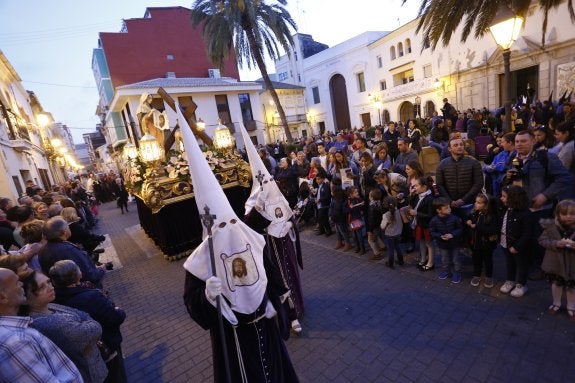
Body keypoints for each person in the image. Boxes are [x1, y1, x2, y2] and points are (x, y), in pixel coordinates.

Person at [20, 269, 108, 383]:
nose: (50, 287)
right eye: (41, 287)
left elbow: (84, 315)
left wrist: (83, 319)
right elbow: (95, 329)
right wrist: (84, 320)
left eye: (48, 282)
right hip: (90, 374)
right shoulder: (47, 323)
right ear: (25, 299)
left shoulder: (49, 305)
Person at [0, 268, 83, 382]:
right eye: (16, 282)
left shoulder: (16, 332)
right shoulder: (13, 341)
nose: (21, 284)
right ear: (2, 297)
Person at [50, 260, 127, 383]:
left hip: (86, 356)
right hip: (106, 345)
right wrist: (119, 311)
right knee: (117, 376)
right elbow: (114, 318)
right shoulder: (90, 297)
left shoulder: (55, 299)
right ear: (77, 275)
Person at [38, 216, 106, 288]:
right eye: (67, 226)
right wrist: (101, 269)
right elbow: (88, 274)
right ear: (64, 232)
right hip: (83, 290)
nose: (69, 228)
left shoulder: (42, 250)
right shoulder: (68, 249)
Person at [539, 199, 575, 320]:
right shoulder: (551, 227)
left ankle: (571, 307)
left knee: (572, 287)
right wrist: (556, 243)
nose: (568, 217)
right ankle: (556, 303)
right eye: (564, 214)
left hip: (572, 265)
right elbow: (542, 240)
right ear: (558, 214)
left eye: (572, 214)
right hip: (556, 264)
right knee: (556, 284)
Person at [435, 137, 484, 222]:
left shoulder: (474, 163)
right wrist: (449, 201)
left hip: (469, 203)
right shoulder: (442, 164)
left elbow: (479, 183)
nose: (459, 147)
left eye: (461, 144)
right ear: (450, 149)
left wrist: (463, 200)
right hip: (450, 205)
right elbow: (440, 185)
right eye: (456, 145)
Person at [498, 185, 532, 298]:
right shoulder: (506, 209)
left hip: (518, 246)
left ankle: (521, 284)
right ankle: (510, 280)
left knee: (521, 265)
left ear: (513, 198)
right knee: (509, 263)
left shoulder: (525, 214)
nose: (501, 198)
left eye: (504, 196)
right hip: (505, 242)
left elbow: (528, 234)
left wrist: (517, 246)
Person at [466, 193, 500, 288]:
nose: (475, 204)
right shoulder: (474, 212)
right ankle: (477, 275)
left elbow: (492, 230)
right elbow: (468, 218)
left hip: (487, 244)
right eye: (476, 201)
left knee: (488, 260)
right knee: (476, 259)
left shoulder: (492, 216)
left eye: (479, 202)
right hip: (475, 243)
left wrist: (476, 226)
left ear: (486, 205)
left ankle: (489, 276)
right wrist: (468, 221)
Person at [430, 198, 463, 283]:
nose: (449, 209)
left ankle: (457, 273)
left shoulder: (454, 218)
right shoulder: (434, 220)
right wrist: (440, 236)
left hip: (454, 243)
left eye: (449, 207)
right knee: (444, 259)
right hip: (442, 244)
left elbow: (460, 229)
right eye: (446, 208)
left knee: (456, 260)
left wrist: (452, 234)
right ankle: (446, 271)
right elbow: (432, 232)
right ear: (438, 210)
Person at [409, 176, 436, 271]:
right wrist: (411, 195)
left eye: (416, 186)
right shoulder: (417, 196)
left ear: (424, 187)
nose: (414, 188)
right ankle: (423, 259)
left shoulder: (430, 198)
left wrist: (417, 213)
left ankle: (431, 263)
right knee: (421, 241)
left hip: (427, 225)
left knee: (429, 243)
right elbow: (412, 204)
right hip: (419, 223)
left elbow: (431, 214)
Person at [380, 196, 404, 268]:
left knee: (390, 249)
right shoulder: (399, 211)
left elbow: (382, 226)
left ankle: (390, 263)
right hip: (398, 232)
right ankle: (400, 261)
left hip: (390, 234)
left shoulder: (386, 215)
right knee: (397, 246)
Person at [329, 179, 352, 252]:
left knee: (343, 231)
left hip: (341, 218)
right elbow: (331, 207)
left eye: (332, 191)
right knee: (337, 230)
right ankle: (339, 241)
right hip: (335, 217)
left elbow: (344, 210)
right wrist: (330, 214)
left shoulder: (342, 200)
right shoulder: (334, 198)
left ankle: (347, 243)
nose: (331, 192)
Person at [366, 189, 385, 261]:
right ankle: (383, 246)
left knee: (371, 240)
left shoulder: (372, 207)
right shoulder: (379, 203)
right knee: (376, 236)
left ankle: (377, 254)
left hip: (373, 227)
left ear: (371, 197)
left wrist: (369, 230)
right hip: (379, 224)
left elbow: (371, 220)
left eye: (369, 195)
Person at [347, 186, 366, 255]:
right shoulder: (348, 201)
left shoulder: (359, 199)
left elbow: (362, 208)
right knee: (354, 234)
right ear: (350, 194)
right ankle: (357, 247)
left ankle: (362, 248)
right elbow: (345, 210)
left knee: (359, 234)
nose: (357, 193)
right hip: (351, 220)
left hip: (357, 219)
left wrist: (362, 205)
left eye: (357, 191)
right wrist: (350, 208)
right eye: (355, 192)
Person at [315, 169, 332, 236]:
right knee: (320, 218)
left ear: (323, 179)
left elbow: (327, 196)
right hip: (319, 205)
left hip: (324, 205)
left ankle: (328, 230)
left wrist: (319, 200)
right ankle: (322, 230)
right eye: (316, 179)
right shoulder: (319, 186)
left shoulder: (326, 185)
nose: (317, 181)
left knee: (324, 218)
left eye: (318, 179)